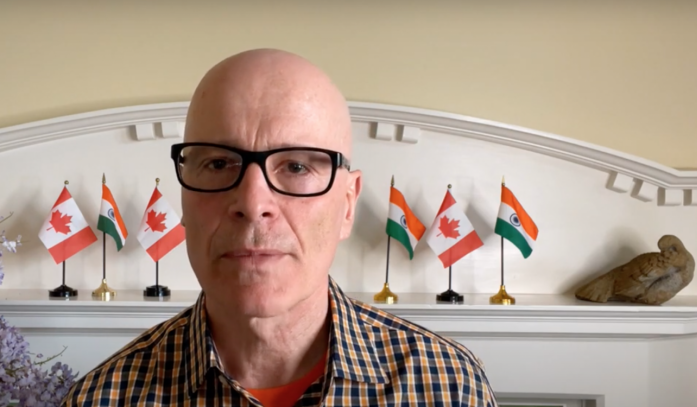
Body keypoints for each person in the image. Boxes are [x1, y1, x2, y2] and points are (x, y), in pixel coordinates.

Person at [61, 48, 498, 407]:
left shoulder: (451, 389)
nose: (253, 204)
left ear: (347, 204)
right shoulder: (101, 399)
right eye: (217, 163)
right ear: (184, 200)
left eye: (295, 165)